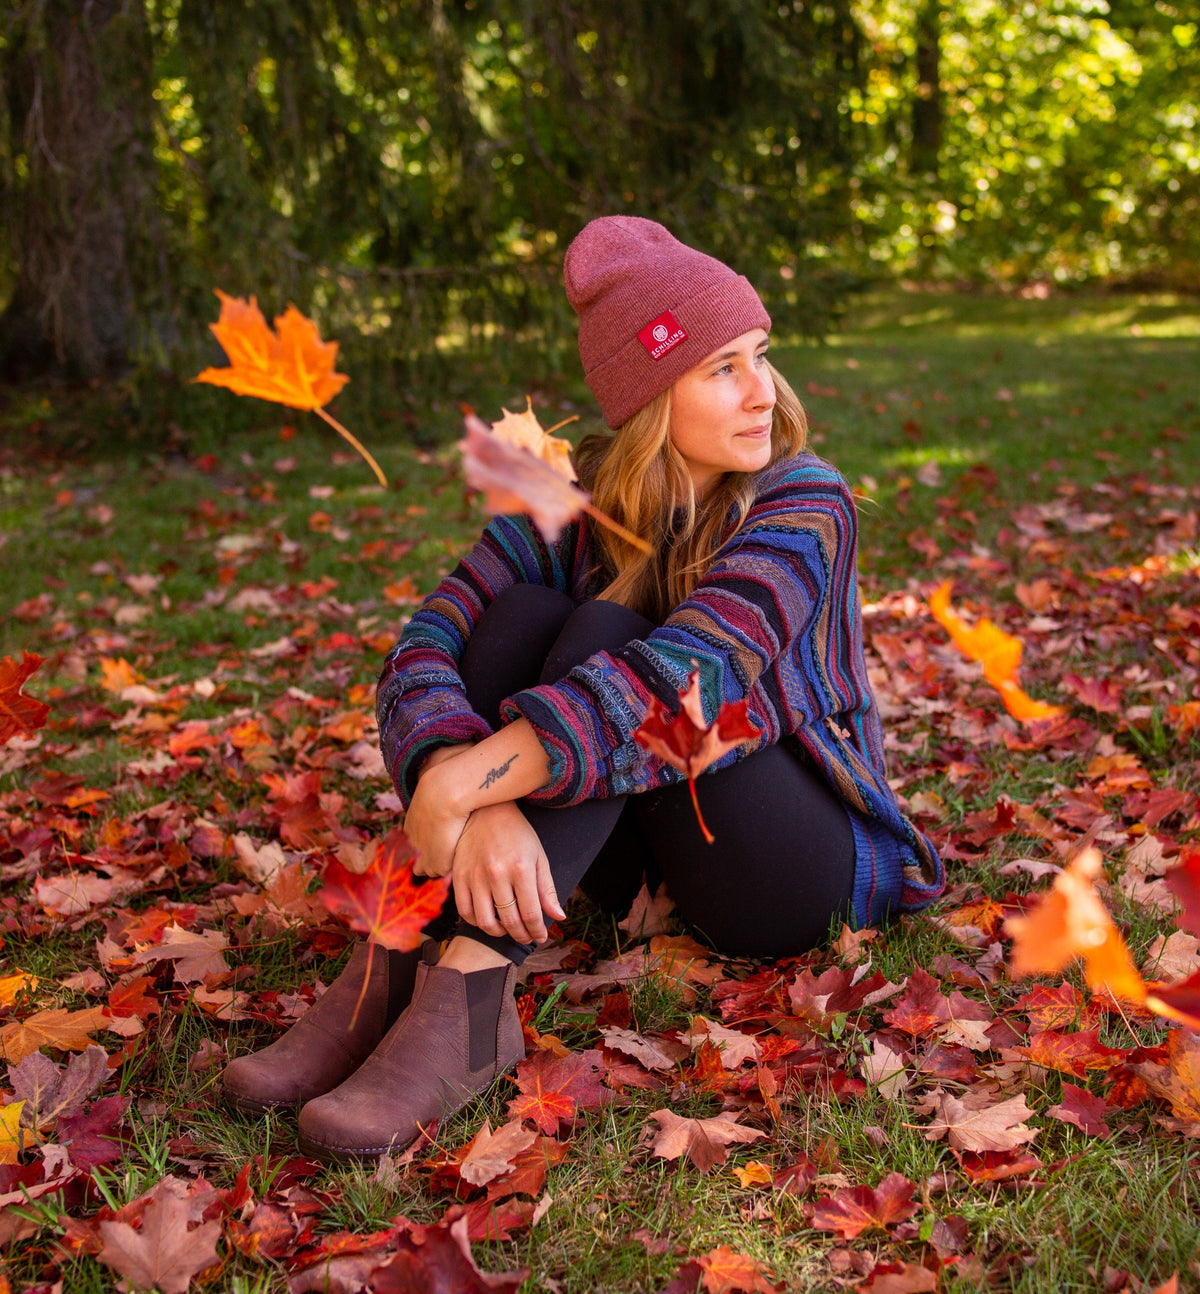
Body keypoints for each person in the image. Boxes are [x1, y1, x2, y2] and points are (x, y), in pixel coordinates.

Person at [221, 216, 945, 1161]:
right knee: (517, 615)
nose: (761, 391)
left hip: (794, 865)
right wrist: (453, 774)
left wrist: (469, 783)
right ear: (648, 394)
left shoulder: (804, 504)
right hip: (643, 850)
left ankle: (472, 1005)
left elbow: (679, 690)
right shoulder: (572, 501)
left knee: (612, 636)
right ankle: (393, 962)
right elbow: (426, 645)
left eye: (760, 355)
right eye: (721, 366)